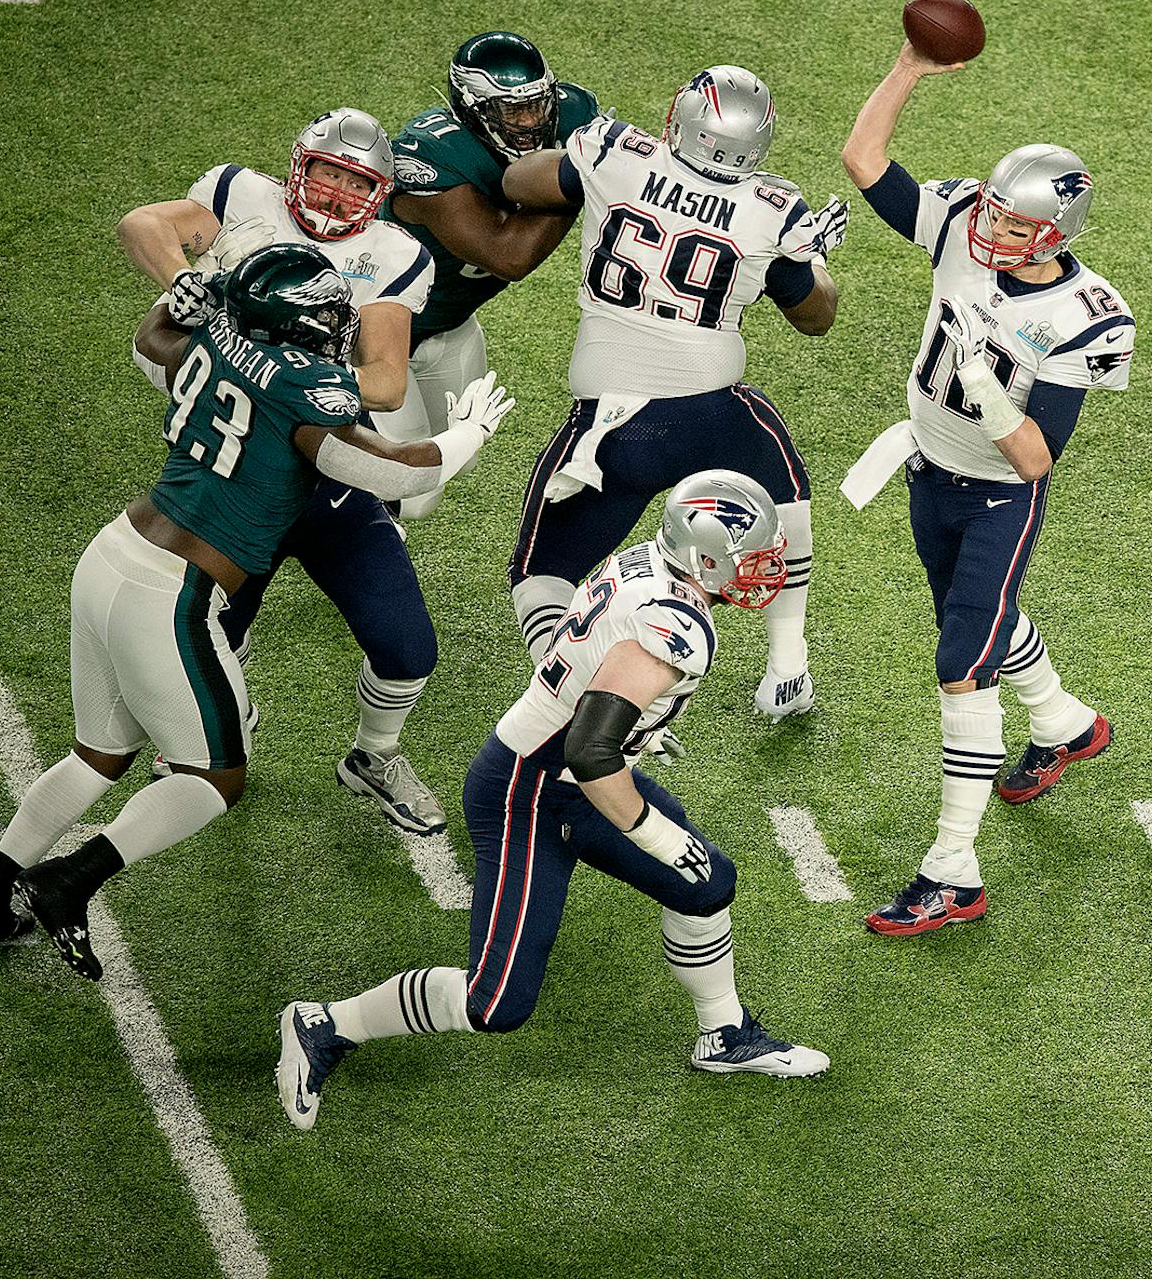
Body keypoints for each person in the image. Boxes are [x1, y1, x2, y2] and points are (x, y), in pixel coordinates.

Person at [0, 244, 510, 970]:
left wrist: (173, 301)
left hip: (114, 554)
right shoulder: (303, 387)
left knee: (98, 755)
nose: (336, 323)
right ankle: (72, 877)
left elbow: (150, 342)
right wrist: (469, 431)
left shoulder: (214, 337)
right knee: (214, 777)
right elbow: (384, 471)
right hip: (171, 592)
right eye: (324, 315)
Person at [274, 472, 827, 1131]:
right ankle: (324, 1025)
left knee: (707, 886)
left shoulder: (648, 562)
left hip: (572, 777)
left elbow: (598, 670)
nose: (765, 569)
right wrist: (655, 832)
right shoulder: (676, 624)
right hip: (530, 791)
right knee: (496, 1002)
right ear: (706, 555)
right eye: (751, 557)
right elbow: (590, 752)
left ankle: (724, 1034)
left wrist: (641, 721)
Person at [840, 43, 1133, 935]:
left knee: (960, 670)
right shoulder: (964, 217)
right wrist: (907, 69)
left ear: (1057, 235)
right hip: (927, 472)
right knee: (981, 627)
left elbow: (1038, 456)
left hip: (999, 495)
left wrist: (987, 390)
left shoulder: (1087, 319)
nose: (991, 232)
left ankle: (952, 871)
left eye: (1013, 226)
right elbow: (865, 164)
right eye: (995, 214)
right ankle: (1065, 723)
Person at [117, 108, 456, 834]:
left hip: (329, 473)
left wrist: (279, 373)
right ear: (299, 167)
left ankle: (374, 756)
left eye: (353, 185)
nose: (334, 199)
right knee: (213, 637)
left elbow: (389, 381)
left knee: (407, 647)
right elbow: (142, 226)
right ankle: (226, 716)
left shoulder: (393, 255)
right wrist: (182, 280)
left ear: (378, 195)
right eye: (328, 176)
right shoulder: (242, 196)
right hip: (233, 474)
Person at [501, 66, 844, 720]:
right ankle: (788, 668)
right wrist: (814, 260)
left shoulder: (614, 153)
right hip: (713, 413)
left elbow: (519, 183)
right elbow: (815, 316)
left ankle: (569, 692)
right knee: (782, 482)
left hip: (611, 425)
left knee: (538, 572)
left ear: (678, 121)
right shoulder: (774, 210)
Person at [379, 31, 601, 517]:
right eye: (509, 111)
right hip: (375, 333)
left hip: (451, 324)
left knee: (460, 456)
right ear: (472, 109)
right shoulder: (429, 155)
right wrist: (579, 178)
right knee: (409, 492)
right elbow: (508, 255)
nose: (529, 122)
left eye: (536, 106)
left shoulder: (576, 114)